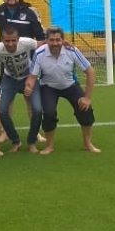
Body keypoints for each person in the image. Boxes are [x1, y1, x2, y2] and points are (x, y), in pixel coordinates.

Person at [25, 26, 99, 155]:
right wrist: (28, 86)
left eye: (58, 40)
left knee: (85, 109)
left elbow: (90, 71)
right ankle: (49, 146)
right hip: (48, 87)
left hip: (70, 85)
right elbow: (32, 76)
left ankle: (87, 143)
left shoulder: (72, 50)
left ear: (63, 40)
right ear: (46, 41)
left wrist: (87, 98)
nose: (55, 43)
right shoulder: (39, 53)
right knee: (48, 114)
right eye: (52, 40)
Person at [0, 26, 43, 153]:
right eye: (7, 41)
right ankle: (15, 141)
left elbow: (43, 44)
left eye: (13, 40)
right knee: (3, 110)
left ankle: (32, 142)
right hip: (9, 79)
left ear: (18, 39)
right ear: (2, 40)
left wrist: (64, 44)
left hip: (28, 78)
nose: (10, 44)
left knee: (38, 110)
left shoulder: (26, 42)